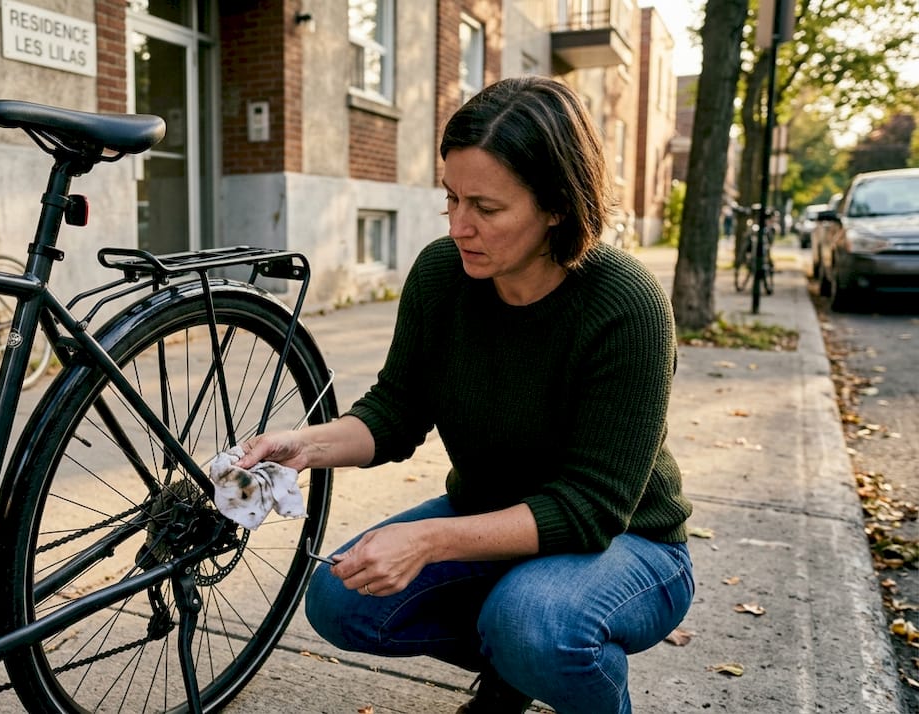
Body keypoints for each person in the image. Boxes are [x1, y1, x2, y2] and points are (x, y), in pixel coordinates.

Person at [235, 76, 694, 714]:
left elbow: (591, 509)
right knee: (341, 601)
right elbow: (396, 410)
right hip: (492, 514)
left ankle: (549, 665)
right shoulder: (442, 274)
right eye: (450, 198)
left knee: (533, 622)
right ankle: (515, 665)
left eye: (486, 207)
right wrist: (302, 446)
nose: (459, 226)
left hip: (630, 543)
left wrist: (428, 541)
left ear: (558, 206)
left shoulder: (626, 306)